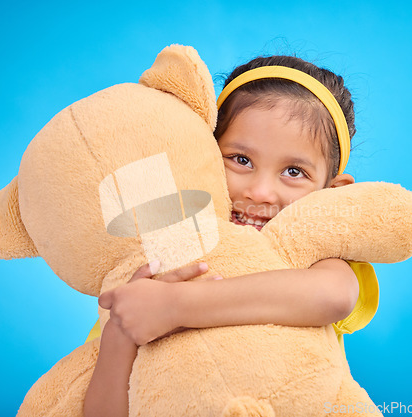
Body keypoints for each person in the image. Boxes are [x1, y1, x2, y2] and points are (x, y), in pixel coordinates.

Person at [83, 55, 379, 417]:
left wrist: (173, 305)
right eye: (240, 160)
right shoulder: (161, 260)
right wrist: (121, 333)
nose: (260, 191)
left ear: (331, 192)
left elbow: (334, 297)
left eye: (293, 171)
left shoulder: (315, 260)